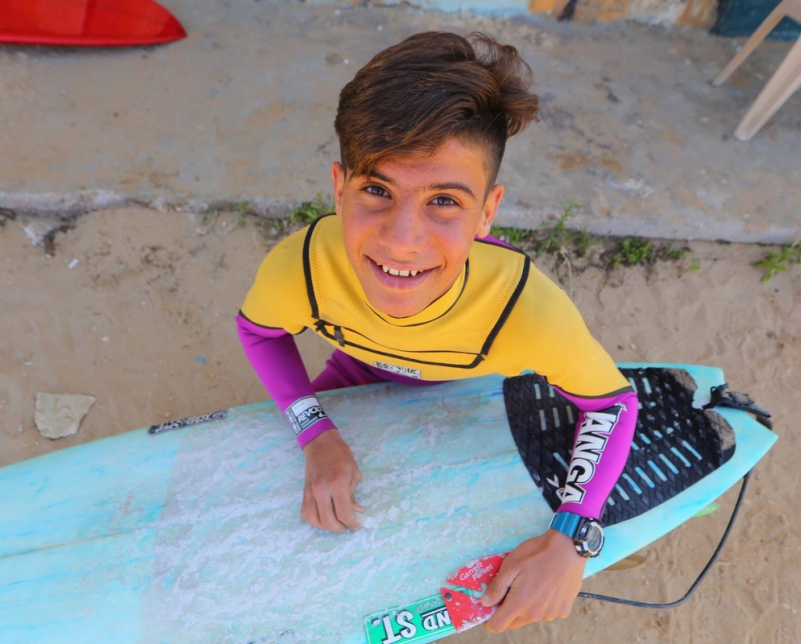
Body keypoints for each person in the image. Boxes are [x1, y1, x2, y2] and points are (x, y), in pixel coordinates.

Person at [236, 31, 638, 632]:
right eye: (377, 190)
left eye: (445, 201)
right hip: (357, 381)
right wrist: (314, 430)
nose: (402, 240)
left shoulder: (523, 309)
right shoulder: (300, 268)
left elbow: (611, 405)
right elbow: (261, 334)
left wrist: (572, 538)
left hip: (475, 402)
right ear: (339, 188)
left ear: (489, 210)